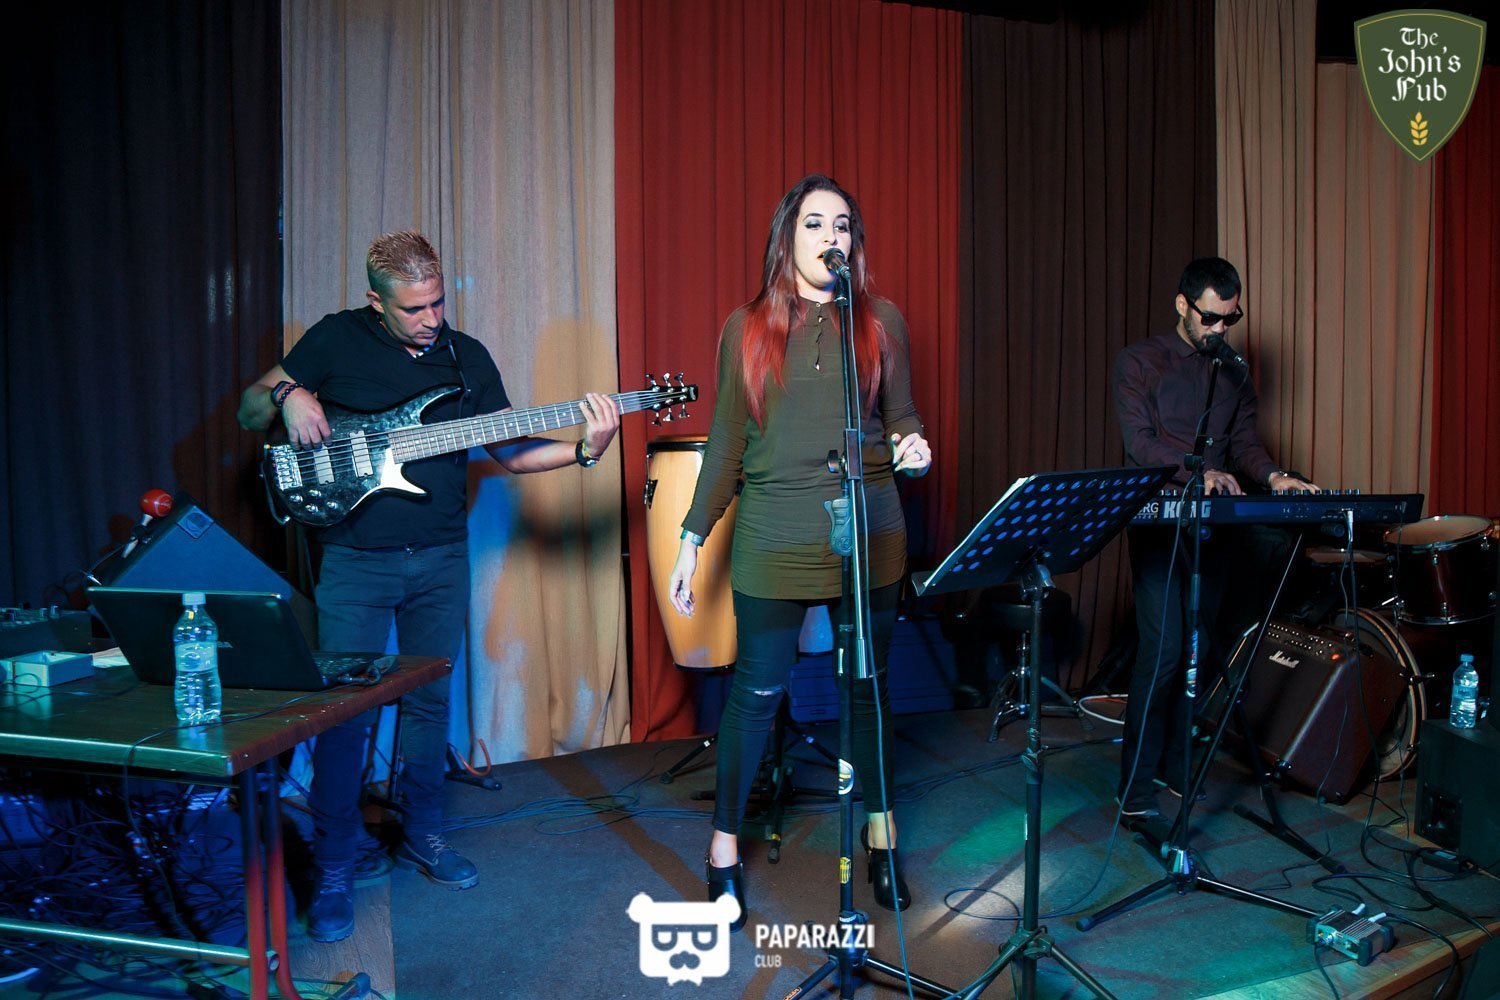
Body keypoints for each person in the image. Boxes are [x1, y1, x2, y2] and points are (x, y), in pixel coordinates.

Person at [237, 230, 620, 943]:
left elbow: (511, 451)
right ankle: (334, 865)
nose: (430, 318)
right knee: (344, 715)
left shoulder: (466, 358)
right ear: (375, 302)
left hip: (442, 557)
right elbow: (249, 408)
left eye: (438, 302)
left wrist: (583, 449)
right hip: (355, 561)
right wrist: (288, 393)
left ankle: (425, 834)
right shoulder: (336, 339)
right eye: (414, 308)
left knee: (429, 707)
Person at [666, 175, 932, 928]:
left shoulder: (880, 321)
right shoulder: (746, 328)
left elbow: (903, 419)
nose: (830, 237)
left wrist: (912, 448)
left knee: (868, 689)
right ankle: (723, 848)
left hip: (869, 528)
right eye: (814, 223)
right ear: (788, 237)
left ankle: (881, 836)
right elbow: (727, 442)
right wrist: (690, 540)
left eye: (842, 225)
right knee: (755, 696)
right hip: (775, 531)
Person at [1112, 256, 1315, 819]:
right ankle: (1134, 786)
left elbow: (1244, 442)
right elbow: (1139, 442)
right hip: (1159, 522)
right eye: (1210, 318)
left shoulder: (1234, 373)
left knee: (1200, 648)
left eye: (1230, 318)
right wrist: (1196, 469)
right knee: (1164, 652)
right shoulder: (1140, 362)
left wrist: (1274, 475)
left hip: (1214, 525)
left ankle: (1177, 766)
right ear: (1183, 306)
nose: (1220, 329)